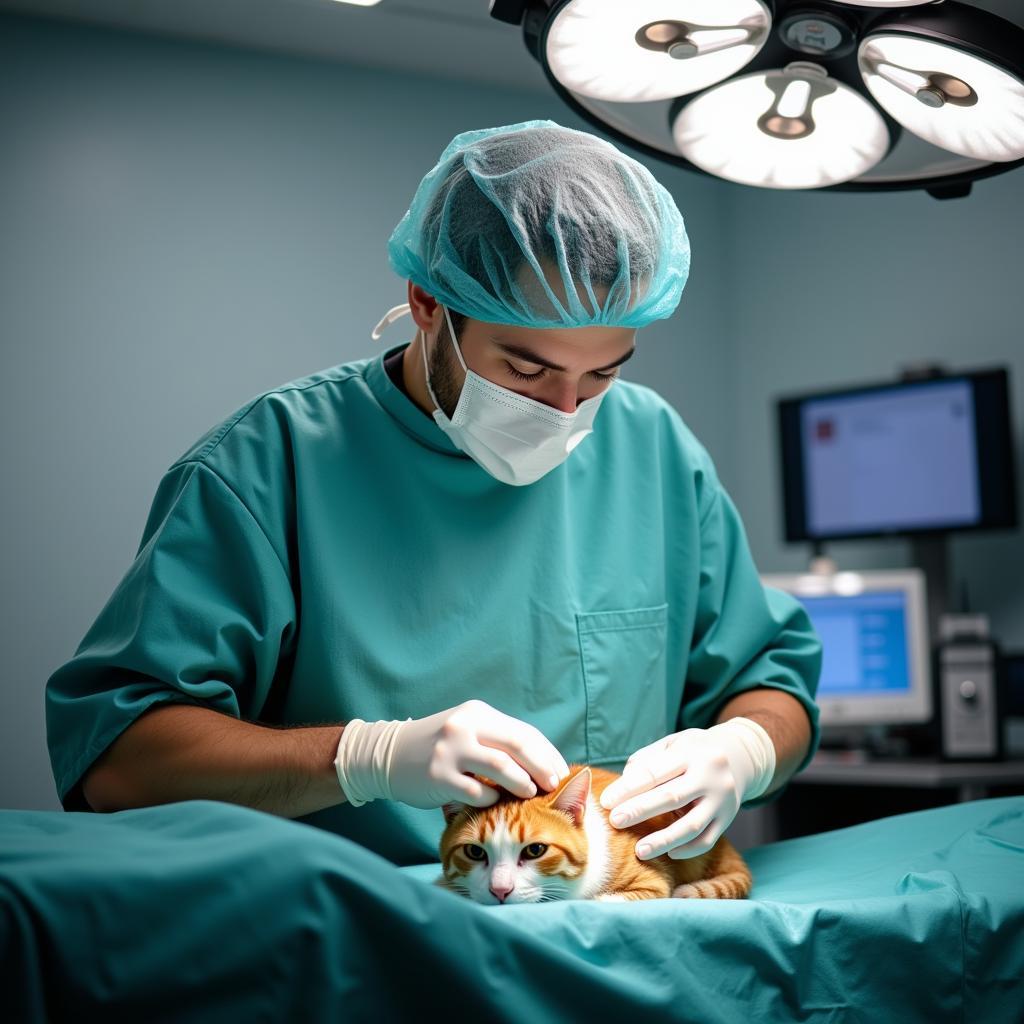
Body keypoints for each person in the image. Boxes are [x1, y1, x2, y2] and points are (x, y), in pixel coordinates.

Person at [45, 120, 822, 867]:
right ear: (426, 304)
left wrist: (741, 750)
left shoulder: (652, 449)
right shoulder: (270, 464)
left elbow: (769, 683)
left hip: (605, 947)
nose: (565, 412)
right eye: (526, 369)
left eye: (603, 375)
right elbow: (120, 762)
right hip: (350, 947)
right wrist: (362, 758)